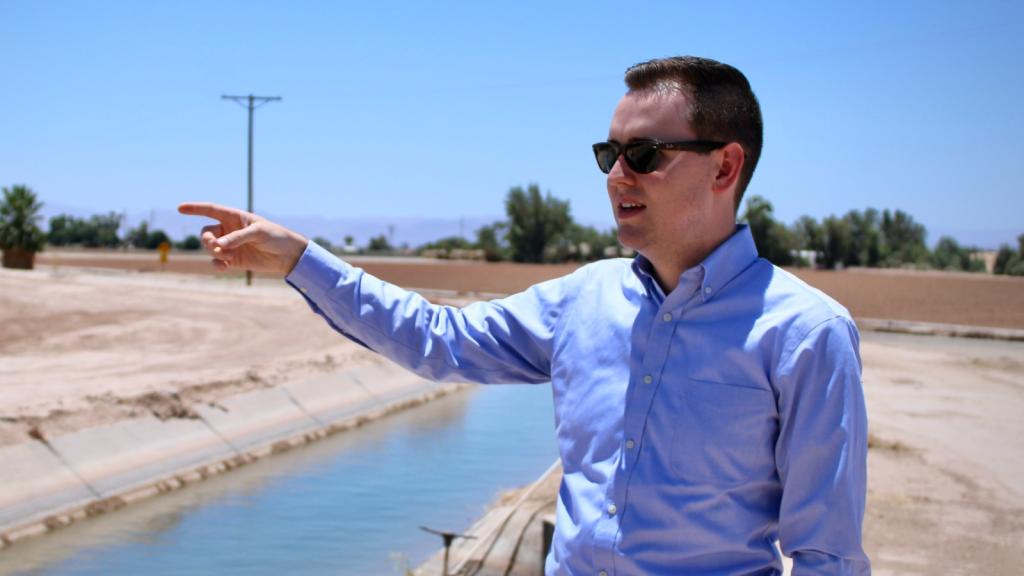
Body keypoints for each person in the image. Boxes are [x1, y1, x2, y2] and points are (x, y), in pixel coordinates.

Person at [180, 56, 870, 575]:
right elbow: (438, 338)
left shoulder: (806, 334)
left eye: (644, 155)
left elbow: (825, 556)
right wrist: (301, 259)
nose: (616, 176)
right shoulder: (582, 300)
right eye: (609, 154)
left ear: (725, 167)